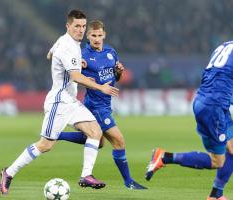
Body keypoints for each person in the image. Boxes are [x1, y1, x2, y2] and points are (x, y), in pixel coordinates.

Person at [0, 10, 120, 195]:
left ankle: (86, 176)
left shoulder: (66, 42)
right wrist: (100, 87)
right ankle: (8, 172)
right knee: (45, 145)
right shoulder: (68, 46)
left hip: (71, 101)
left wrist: (73, 60)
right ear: (68, 26)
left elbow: (50, 53)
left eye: (83, 26)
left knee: (95, 132)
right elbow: (75, 76)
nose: (81, 30)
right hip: (59, 102)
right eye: (77, 26)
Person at [57, 20, 146, 190]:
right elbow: (73, 76)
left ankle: (57, 134)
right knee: (119, 141)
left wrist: (119, 72)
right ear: (87, 36)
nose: (97, 39)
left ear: (104, 35)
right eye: (93, 35)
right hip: (95, 105)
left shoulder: (110, 52)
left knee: (98, 142)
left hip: (105, 104)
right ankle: (129, 182)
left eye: (99, 35)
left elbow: (115, 79)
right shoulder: (82, 56)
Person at [145, 41, 233, 200]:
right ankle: (165, 157)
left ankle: (216, 194)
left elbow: (213, 76)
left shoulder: (225, 46)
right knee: (217, 161)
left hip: (204, 100)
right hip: (214, 107)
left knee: (232, 148)